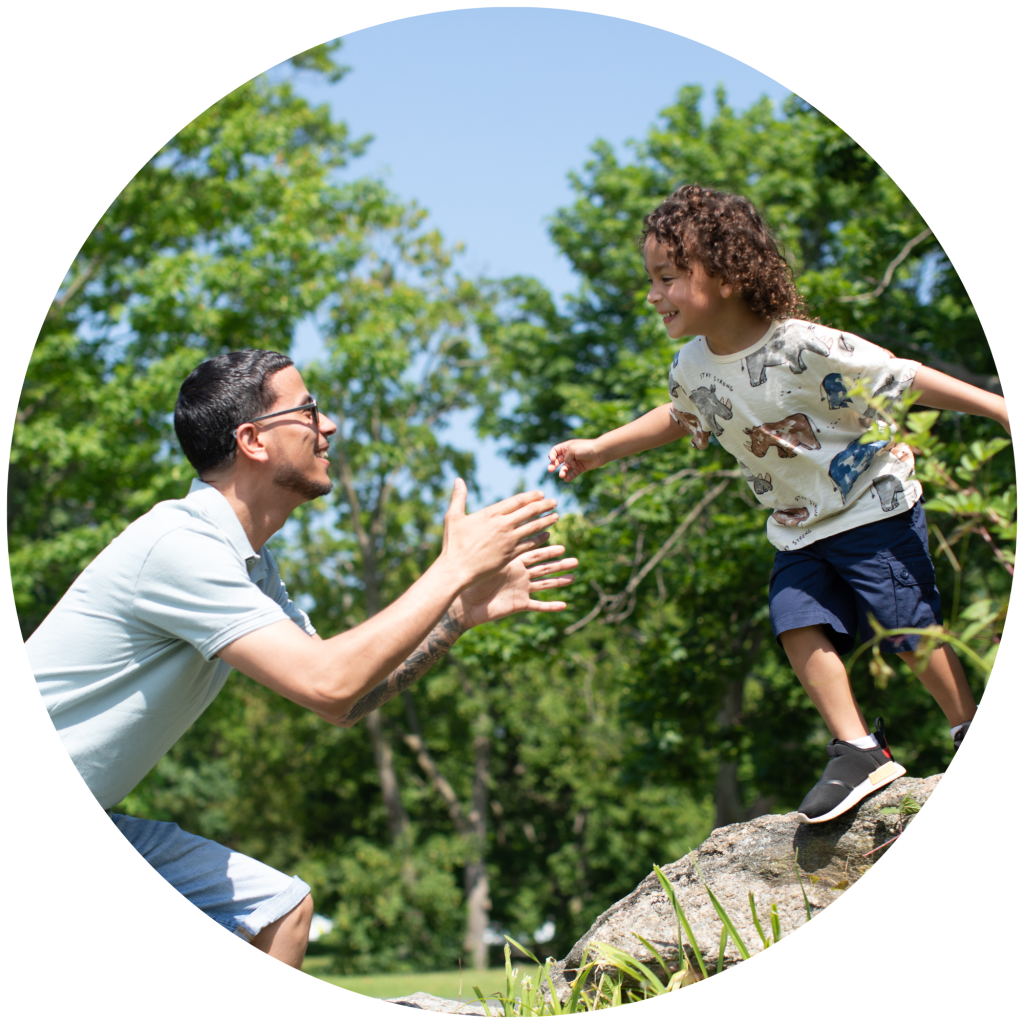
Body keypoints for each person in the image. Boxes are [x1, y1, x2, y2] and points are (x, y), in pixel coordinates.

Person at [27, 348, 577, 967]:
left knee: (279, 910)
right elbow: (328, 680)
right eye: (310, 410)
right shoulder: (180, 546)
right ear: (253, 440)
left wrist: (456, 614)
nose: (329, 426)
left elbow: (344, 698)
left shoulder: (251, 565)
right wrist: (452, 567)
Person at [546, 185, 1010, 825]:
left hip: (869, 504)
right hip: (797, 525)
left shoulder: (802, 345)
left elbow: (900, 377)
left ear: (729, 275)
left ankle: (964, 723)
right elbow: (680, 418)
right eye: (651, 279)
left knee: (907, 628)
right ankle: (858, 749)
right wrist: (601, 448)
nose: (653, 295)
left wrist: (996, 407)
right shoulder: (690, 367)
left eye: (668, 277)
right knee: (795, 623)